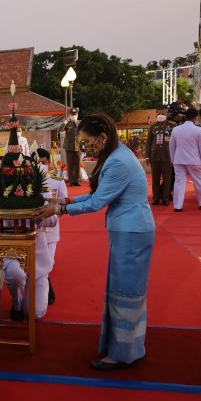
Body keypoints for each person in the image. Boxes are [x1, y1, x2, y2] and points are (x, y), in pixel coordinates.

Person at [37, 113, 155, 370]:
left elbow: (96, 202)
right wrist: (63, 201)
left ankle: (124, 353)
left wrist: (58, 210)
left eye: (88, 141)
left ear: (103, 137)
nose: (85, 146)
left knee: (126, 292)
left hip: (132, 230)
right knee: (123, 290)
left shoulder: (118, 162)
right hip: (128, 229)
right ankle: (128, 345)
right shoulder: (116, 155)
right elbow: (96, 195)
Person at [37, 147, 68, 305]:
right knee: (44, 263)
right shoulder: (30, 182)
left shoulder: (57, 180)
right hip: (38, 230)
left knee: (49, 262)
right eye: (38, 163)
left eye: (43, 163)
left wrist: (54, 213)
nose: (41, 165)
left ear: (49, 163)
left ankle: (44, 290)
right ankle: (45, 290)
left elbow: (64, 202)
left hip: (52, 229)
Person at [169, 108, 201, 212]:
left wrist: (172, 159)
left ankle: (178, 206)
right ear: (196, 117)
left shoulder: (176, 129)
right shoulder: (198, 130)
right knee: (199, 182)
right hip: (194, 160)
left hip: (178, 159)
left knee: (179, 183)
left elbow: (171, 146)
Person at [145, 105, 174, 205]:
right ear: (156, 114)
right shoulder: (153, 127)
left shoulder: (172, 127)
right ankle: (156, 198)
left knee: (167, 178)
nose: (161, 115)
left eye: (163, 113)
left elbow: (175, 143)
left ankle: (165, 198)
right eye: (159, 113)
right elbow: (148, 143)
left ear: (167, 114)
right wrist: (147, 156)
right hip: (155, 156)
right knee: (155, 179)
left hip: (167, 156)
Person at [59, 107, 81, 186]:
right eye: (72, 114)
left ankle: (76, 181)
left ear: (77, 115)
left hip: (78, 146)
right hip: (69, 147)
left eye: (75, 114)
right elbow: (60, 129)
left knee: (77, 165)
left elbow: (83, 132)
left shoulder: (79, 123)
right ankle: (71, 181)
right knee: (70, 165)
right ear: (70, 115)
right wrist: (66, 121)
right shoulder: (67, 123)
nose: (73, 116)